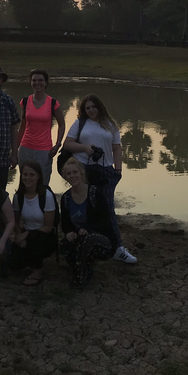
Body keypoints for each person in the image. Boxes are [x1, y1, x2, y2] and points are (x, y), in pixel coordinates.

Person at [62, 93, 137, 265]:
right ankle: (84, 239)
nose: (91, 110)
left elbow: (117, 148)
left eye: (93, 107)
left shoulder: (110, 124)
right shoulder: (80, 123)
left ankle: (118, 247)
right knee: (86, 206)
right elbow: (67, 144)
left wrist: (118, 171)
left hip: (106, 170)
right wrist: (85, 147)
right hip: (84, 169)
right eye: (87, 108)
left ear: (100, 107)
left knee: (108, 209)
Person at [58, 157, 116, 288]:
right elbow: (66, 223)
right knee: (65, 244)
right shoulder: (66, 198)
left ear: (81, 174)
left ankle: (80, 277)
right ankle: (85, 269)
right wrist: (69, 233)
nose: (72, 176)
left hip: (102, 240)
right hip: (79, 237)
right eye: (69, 173)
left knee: (88, 239)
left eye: (75, 172)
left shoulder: (95, 193)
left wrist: (89, 228)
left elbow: (106, 220)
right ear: (65, 177)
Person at [8, 160, 57, 286]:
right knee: (12, 265)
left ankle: (37, 271)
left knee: (36, 238)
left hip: (44, 237)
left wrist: (27, 235)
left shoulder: (46, 196)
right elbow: (16, 221)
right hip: (26, 235)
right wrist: (19, 235)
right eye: (25, 174)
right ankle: (30, 260)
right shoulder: (18, 196)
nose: (28, 178)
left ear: (38, 176)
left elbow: (48, 226)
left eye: (32, 175)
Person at [16, 69, 66, 181]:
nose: (37, 83)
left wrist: (58, 144)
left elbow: (61, 124)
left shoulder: (53, 103)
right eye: (34, 80)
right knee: (26, 182)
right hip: (25, 149)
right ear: (30, 82)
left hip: (44, 150)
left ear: (46, 83)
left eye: (40, 80)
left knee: (42, 182)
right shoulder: (25, 102)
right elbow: (22, 127)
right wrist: (15, 150)